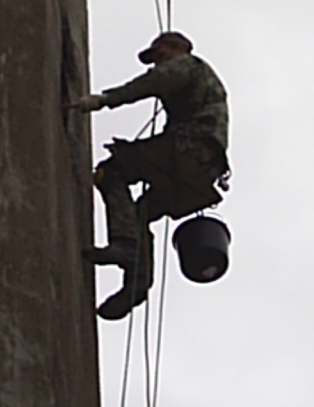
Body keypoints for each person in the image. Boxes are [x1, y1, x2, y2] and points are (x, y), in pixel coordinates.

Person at [72, 31, 230, 320]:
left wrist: (104, 100)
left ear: (179, 48)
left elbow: (154, 82)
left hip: (189, 150)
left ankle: (124, 248)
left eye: (160, 56)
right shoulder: (197, 82)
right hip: (202, 164)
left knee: (111, 172)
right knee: (141, 213)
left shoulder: (188, 65)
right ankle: (137, 283)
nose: (157, 64)